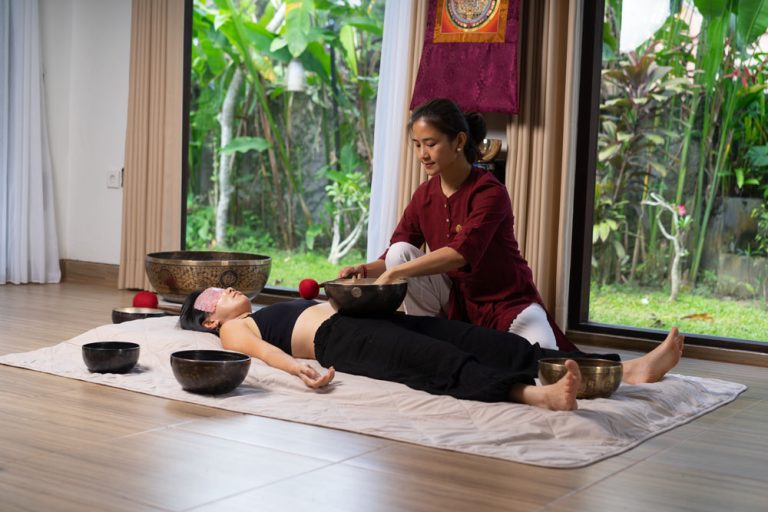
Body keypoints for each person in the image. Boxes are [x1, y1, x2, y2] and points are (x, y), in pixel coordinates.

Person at [178, 287, 685, 411]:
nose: (228, 289)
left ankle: (628, 372)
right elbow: (263, 355)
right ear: (210, 319)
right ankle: (537, 396)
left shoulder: (265, 307)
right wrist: (300, 371)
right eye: (216, 295)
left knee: (482, 340)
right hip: (343, 340)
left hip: (365, 320)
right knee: (441, 363)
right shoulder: (233, 330)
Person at [339, 98, 572, 351]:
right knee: (399, 252)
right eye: (417, 145)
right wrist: (364, 270)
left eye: (431, 144)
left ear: (459, 141)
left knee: (542, 355)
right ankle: (431, 344)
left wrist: (395, 273)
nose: (422, 154)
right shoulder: (424, 195)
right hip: (456, 301)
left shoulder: (490, 192)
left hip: (508, 302)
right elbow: (394, 257)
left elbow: (460, 254)